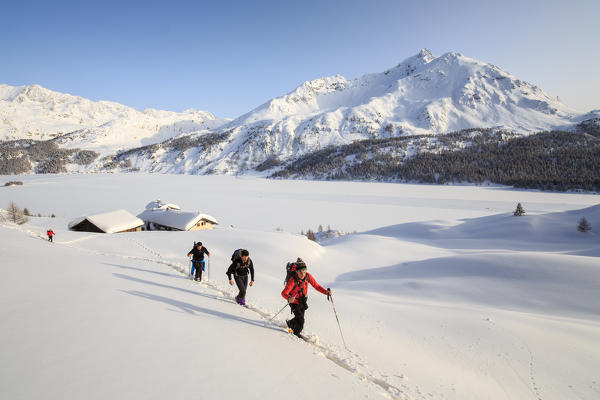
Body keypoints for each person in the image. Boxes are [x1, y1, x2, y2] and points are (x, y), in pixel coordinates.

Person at [281, 259, 331, 337]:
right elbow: (283, 293)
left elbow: (316, 286)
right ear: (297, 272)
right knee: (301, 321)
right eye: (300, 272)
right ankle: (295, 334)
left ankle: (290, 323)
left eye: (304, 271)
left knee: (299, 318)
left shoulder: (308, 276)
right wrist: (289, 298)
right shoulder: (292, 280)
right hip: (294, 302)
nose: (303, 274)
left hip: (303, 301)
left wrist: (326, 292)